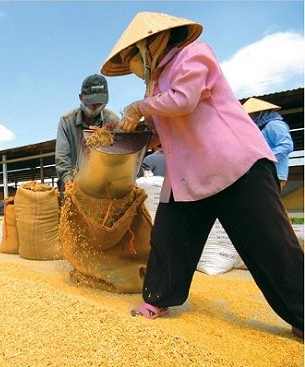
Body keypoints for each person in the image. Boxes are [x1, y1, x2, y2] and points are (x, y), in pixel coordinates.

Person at [101, 11, 304, 338]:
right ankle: (157, 300)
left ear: (153, 42)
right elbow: (163, 131)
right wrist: (128, 135)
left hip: (237, 168)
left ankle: (301, 313)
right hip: (188, 177)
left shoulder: (193, 55)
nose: (134, 65)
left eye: (132, 56)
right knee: (168, 239)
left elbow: (183, 101)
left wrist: (139, 107)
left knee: (270, 246)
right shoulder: (155, 84)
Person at [55, 74, 120, 192]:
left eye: (99, 104)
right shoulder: (67, 121)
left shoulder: (113, 121)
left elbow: (120, 157)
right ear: (81, 97)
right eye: (91, 103)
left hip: (104, 185)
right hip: (75, 182)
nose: (95, 107)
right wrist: (68, 180)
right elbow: (62, 157)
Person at [243, 97, 294, 189]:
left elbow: (286, 145)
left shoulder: (274, 124)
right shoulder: (262, 128)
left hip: (275, 173)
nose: (250, 117)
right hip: (265, 172)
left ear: (260, 113)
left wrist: (265, 158)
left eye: (251, 114)